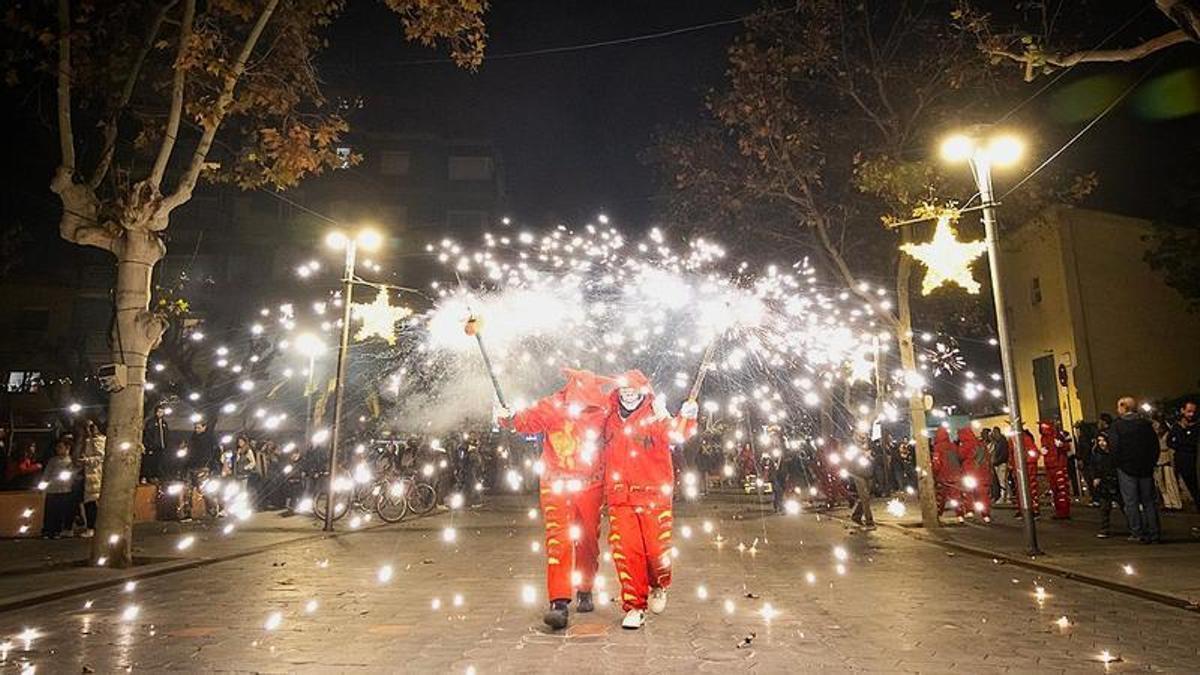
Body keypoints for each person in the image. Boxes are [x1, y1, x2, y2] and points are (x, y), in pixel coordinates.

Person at [496, 368, 614, 631]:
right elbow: (525, 421)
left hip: (591, 485)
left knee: (588, 541)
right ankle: (558, 602)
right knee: (558, 541)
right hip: (555, 483)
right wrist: (509, 417)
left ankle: (585, 587)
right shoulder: (553, 405)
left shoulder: (605, 407)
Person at [601, 369, 698, 630]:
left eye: (634, 389)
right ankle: (634, 605)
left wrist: (686, 418)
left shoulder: (655, 415)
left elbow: (676, 433)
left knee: (656, 551)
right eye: (624, 389)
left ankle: (659, 584)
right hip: (620, 498)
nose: (628, 394)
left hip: (653, 496)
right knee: (626, 551)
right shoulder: (609, 418)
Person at [1109, 397, 1162, 544]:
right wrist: (1151, 462)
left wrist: (1117, 464)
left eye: (1118, 407)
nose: (1117, 410)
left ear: (1123, 407)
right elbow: (1154, 445)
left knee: (1131, 502)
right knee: (1149, 501)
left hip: (1126, 468)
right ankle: (1154, 532)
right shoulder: (1145, 424)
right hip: (1145, 467)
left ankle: (1137, 532)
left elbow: (1114, 447)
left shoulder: (1117, 426)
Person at [40, 440, 78, 538]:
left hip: (65, 489)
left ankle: (57, 530)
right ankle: (48, 530)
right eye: (57, 447)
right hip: (52, 489)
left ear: (67, 448)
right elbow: (47, 473)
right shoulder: (53, 460)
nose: (58, 450)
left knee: (60, 511)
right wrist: (44, 483)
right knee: (50, 511)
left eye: (60, 447)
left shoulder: (71, 461)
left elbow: (74, 473)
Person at [1090, 432, 1124, 538]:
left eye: (1103, 440)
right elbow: (1095, 467)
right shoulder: (1096, 454)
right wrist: (1096, 477)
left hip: (1115, 481)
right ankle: (1104, 528)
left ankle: (1135, 526)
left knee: (1124, 505)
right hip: (1104, 483)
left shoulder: (1114, 453)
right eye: (1099, 440)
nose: (1101, 443)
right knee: (1104, 507)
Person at [1166, 400, 1198, 510]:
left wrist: (1181, 441)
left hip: (1193, 462)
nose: (1191, 414)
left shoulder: (1196, 426)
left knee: (1195, 490)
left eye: (1193, 411)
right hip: (1182, 462)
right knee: (1192, 490)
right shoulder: (1177, 426)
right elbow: (1170, 442)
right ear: (1182, 410)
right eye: (1189, 411)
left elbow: (1191, 442)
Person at [1038, 421, 1072, 519]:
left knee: (1062, 489)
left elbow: (1068, 447)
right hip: (1050, 466)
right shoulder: (1043, 438)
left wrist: (1061, 445)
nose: (1042, 428)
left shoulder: (1058, 435)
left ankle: (1064, 512)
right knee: (1055, 490)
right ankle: (1059, 511)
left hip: (1058, 465)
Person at [957, 426, 991, 522]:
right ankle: (986, 514)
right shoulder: (981, 445)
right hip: (982, 474)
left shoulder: (965, 445)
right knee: (983, 495)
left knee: (968, 493)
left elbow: (960, 456)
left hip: (969, 472)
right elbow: (987, 458)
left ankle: (969, 510)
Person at [1151, 418, 1184, 510]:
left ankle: (1176, 503)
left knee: (1170, 481)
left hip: (1167, 459)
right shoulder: (1154, 436)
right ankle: (1167, 503)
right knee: (1160, 483)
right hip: (1158, 460)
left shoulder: (1167, 435)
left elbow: (1171, 448)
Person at [931, 427, 963, 520]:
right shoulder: (953, 446)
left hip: (943, 475)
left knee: (940, 497)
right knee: (956, 496)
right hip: (955, 475)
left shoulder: (938, 448)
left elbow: (937, 464)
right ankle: (960, 515)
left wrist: (934, 473)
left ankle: (938, 514)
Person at [1009, 429, 1041, 519]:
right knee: (1019, 491)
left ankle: (1034, 510)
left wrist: (1026, 462)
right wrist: (1011, 465)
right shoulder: (1012, 440)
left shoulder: (1026, 438)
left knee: (1031, 489)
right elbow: (1011, 454)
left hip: (1027, 468)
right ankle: (1022, 510)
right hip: (1018, 468)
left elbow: (1034, 453)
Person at [141, 405, 169, 482]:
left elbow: (166, 434)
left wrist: (165, 444)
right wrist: (150, 445)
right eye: (159, 411)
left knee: (159, 463)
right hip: (152, 447)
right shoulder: (151, 422)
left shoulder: (164, 423)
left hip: (161, 447)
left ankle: (157, 477)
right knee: (150, 462)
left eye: (162, 412)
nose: (161, 413)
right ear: (156, 412)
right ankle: (148, 477)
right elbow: (148, 434)